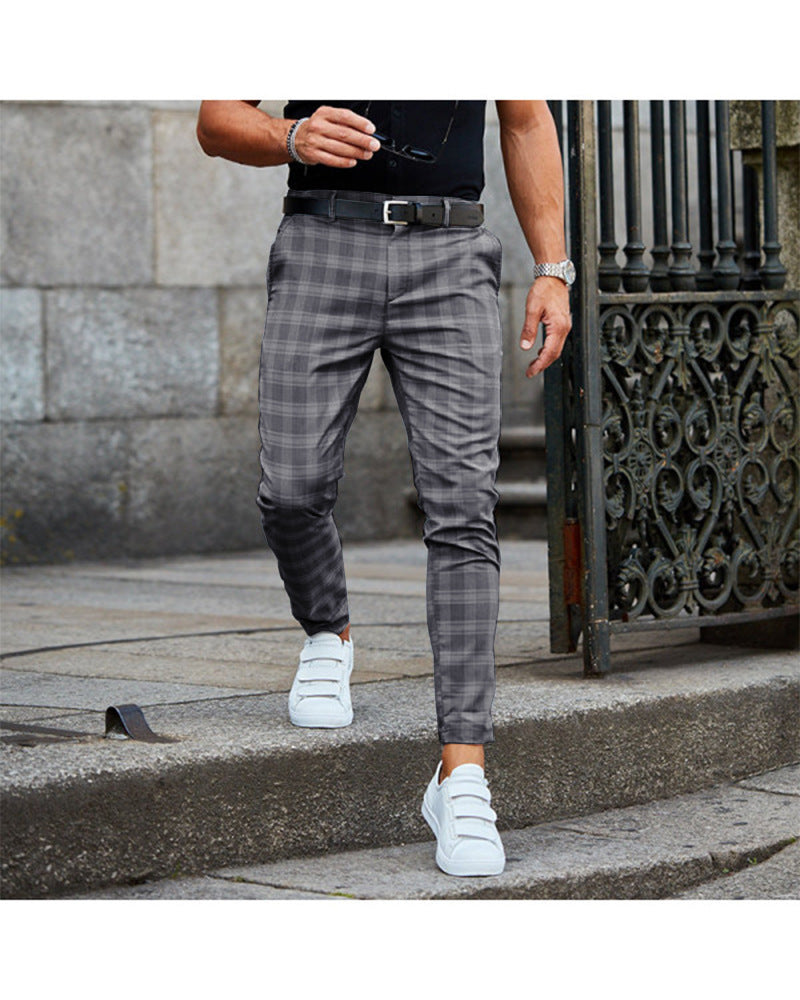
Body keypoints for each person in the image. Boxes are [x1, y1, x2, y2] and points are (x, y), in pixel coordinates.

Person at [196, 100, 573, 877]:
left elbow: (527, 119)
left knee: (465, 512)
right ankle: (327, 631)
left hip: (450, 250)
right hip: (322, 240)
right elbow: (214, 119)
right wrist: (289, 137)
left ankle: (461, 771)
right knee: (291, 489)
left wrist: (552, 270)